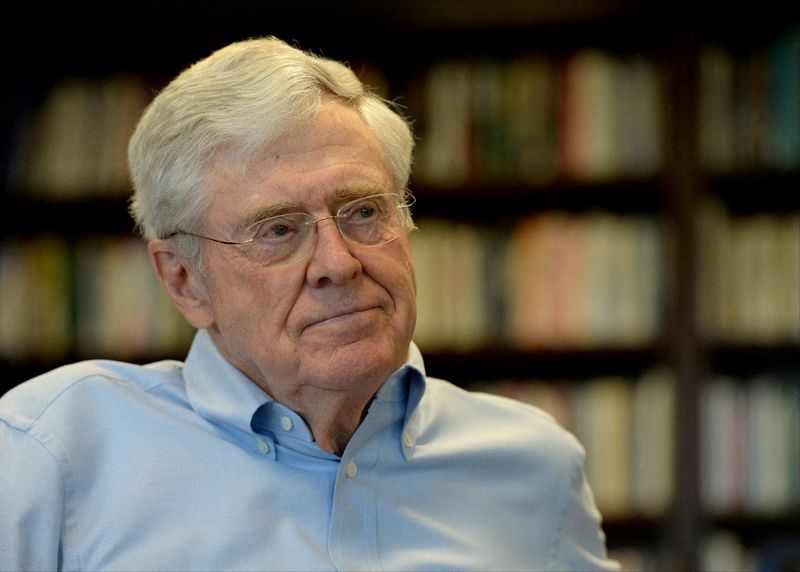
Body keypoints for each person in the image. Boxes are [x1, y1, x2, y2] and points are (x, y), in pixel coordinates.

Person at [0, 37, 619, 571]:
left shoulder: (532, 466)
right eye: (277, 230)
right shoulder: (52, 448)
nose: (337, 263)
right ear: (185, 279)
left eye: (363, 211)